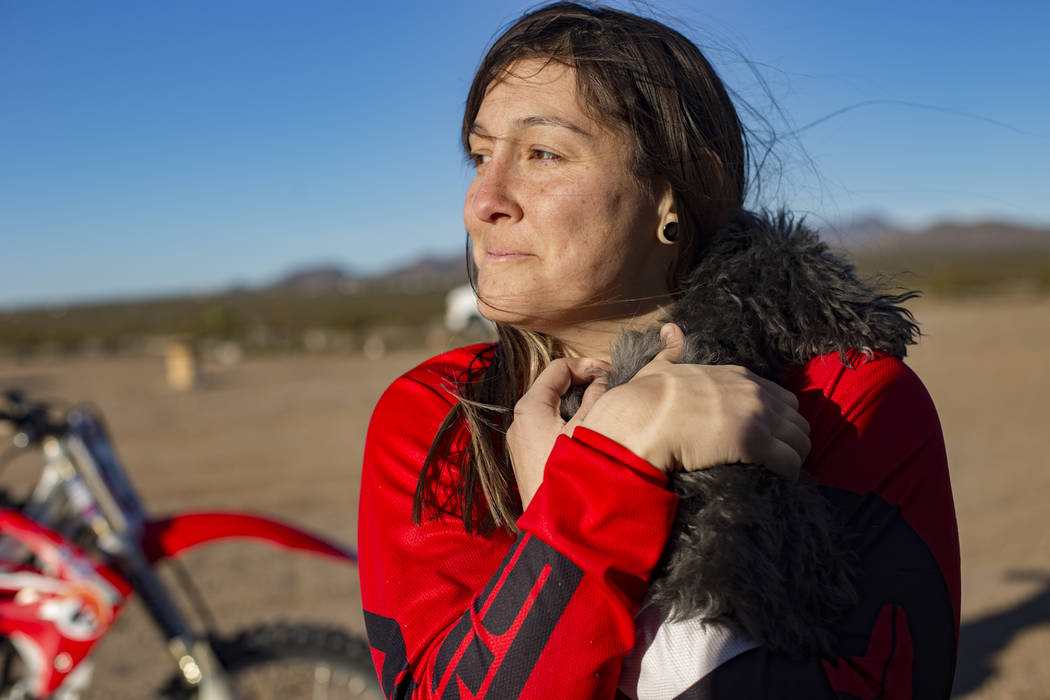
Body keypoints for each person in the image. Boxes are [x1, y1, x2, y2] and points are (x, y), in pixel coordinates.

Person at [358, 3, 960, 698]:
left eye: (542, 154)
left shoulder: (847, 394)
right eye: (480, 155)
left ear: (676, 193)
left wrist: (590, 488)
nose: (482, 201)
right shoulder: (436, 414)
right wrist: (609, 473)